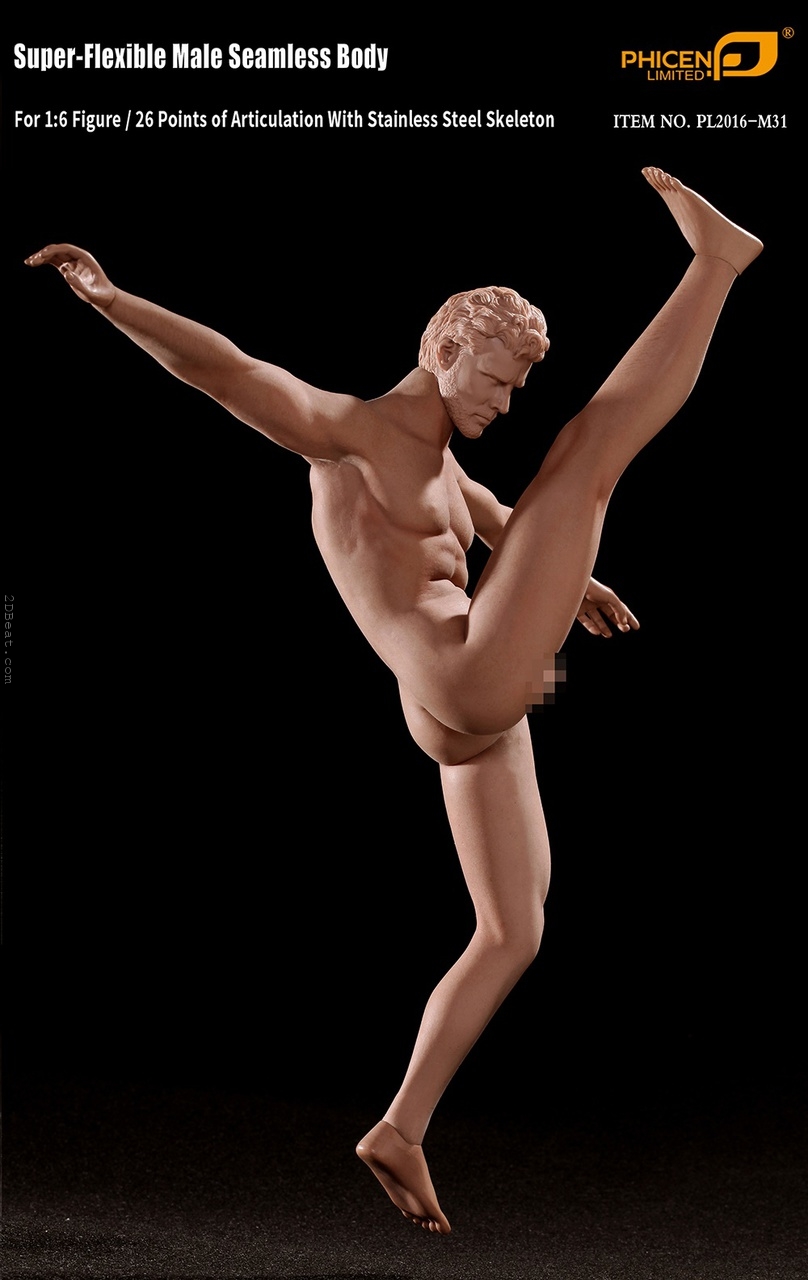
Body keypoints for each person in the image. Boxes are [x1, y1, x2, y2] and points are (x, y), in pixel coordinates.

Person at [26, 167, 762, 1234]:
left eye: (515, 387)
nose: (503, 403)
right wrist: (109, 298)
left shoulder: (444, 466)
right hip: (462, 674)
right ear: (443, 348)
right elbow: (224, 369)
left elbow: (500, 518)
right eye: (496, 380)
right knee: (588, 461)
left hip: (465, 706)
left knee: (514, 927)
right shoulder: (352, 434)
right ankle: (717, 264)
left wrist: (580, 584)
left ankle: (401, 1127)